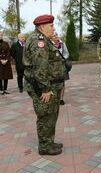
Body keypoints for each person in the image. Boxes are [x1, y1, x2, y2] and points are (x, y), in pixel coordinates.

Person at [23, 14, 66, 155]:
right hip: (43, 88)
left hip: (49, 86)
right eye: (51, 25)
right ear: (42, 27)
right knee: (45, 116)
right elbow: (40, 68)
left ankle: (49, 142)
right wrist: (46, 89)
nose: (53, 28)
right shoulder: (38, 41)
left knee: (51, 115)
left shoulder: (43, 39)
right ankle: (45, 147)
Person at [51, 34, 70, 105]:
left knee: (62, 83)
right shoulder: (49, 44)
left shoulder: (62, 44)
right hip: (53, 67)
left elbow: (66, 53)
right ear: (51, 38)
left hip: (62, 66)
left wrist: (63, 58)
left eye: (57, 36)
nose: (56, 37)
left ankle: (61, 99)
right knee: (53, 83)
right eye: (54, 36)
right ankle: (54, 98)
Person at [0, 30, 13, 95]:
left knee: (6, 76)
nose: (0, 36)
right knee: (0, 76)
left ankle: (5, 89)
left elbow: (8, 52)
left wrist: (6, 60)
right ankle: (0, 90)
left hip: (6, 62)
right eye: (0, 35)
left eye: (1, 35)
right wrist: (1, 60)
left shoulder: (6, 43)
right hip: (0, 62)